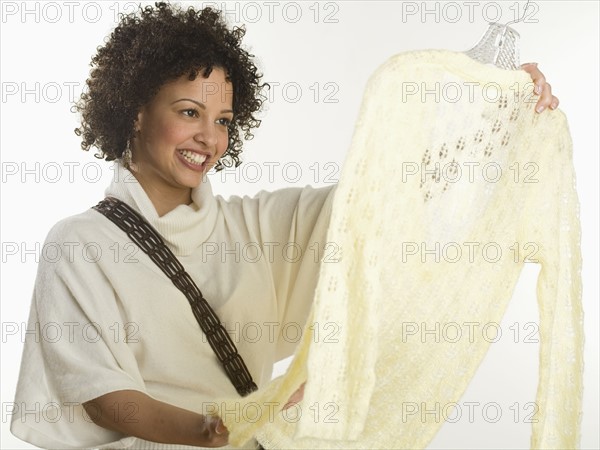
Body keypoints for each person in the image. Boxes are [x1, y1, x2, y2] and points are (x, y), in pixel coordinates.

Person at [10, 2, 560, 449]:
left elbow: (382, 197)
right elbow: (106, 397)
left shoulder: (251, 227)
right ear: (134, 111)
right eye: (188, 112)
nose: (209, 137)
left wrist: (490, 102)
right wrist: (219, 428)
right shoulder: (79, 245)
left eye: (223, 120)